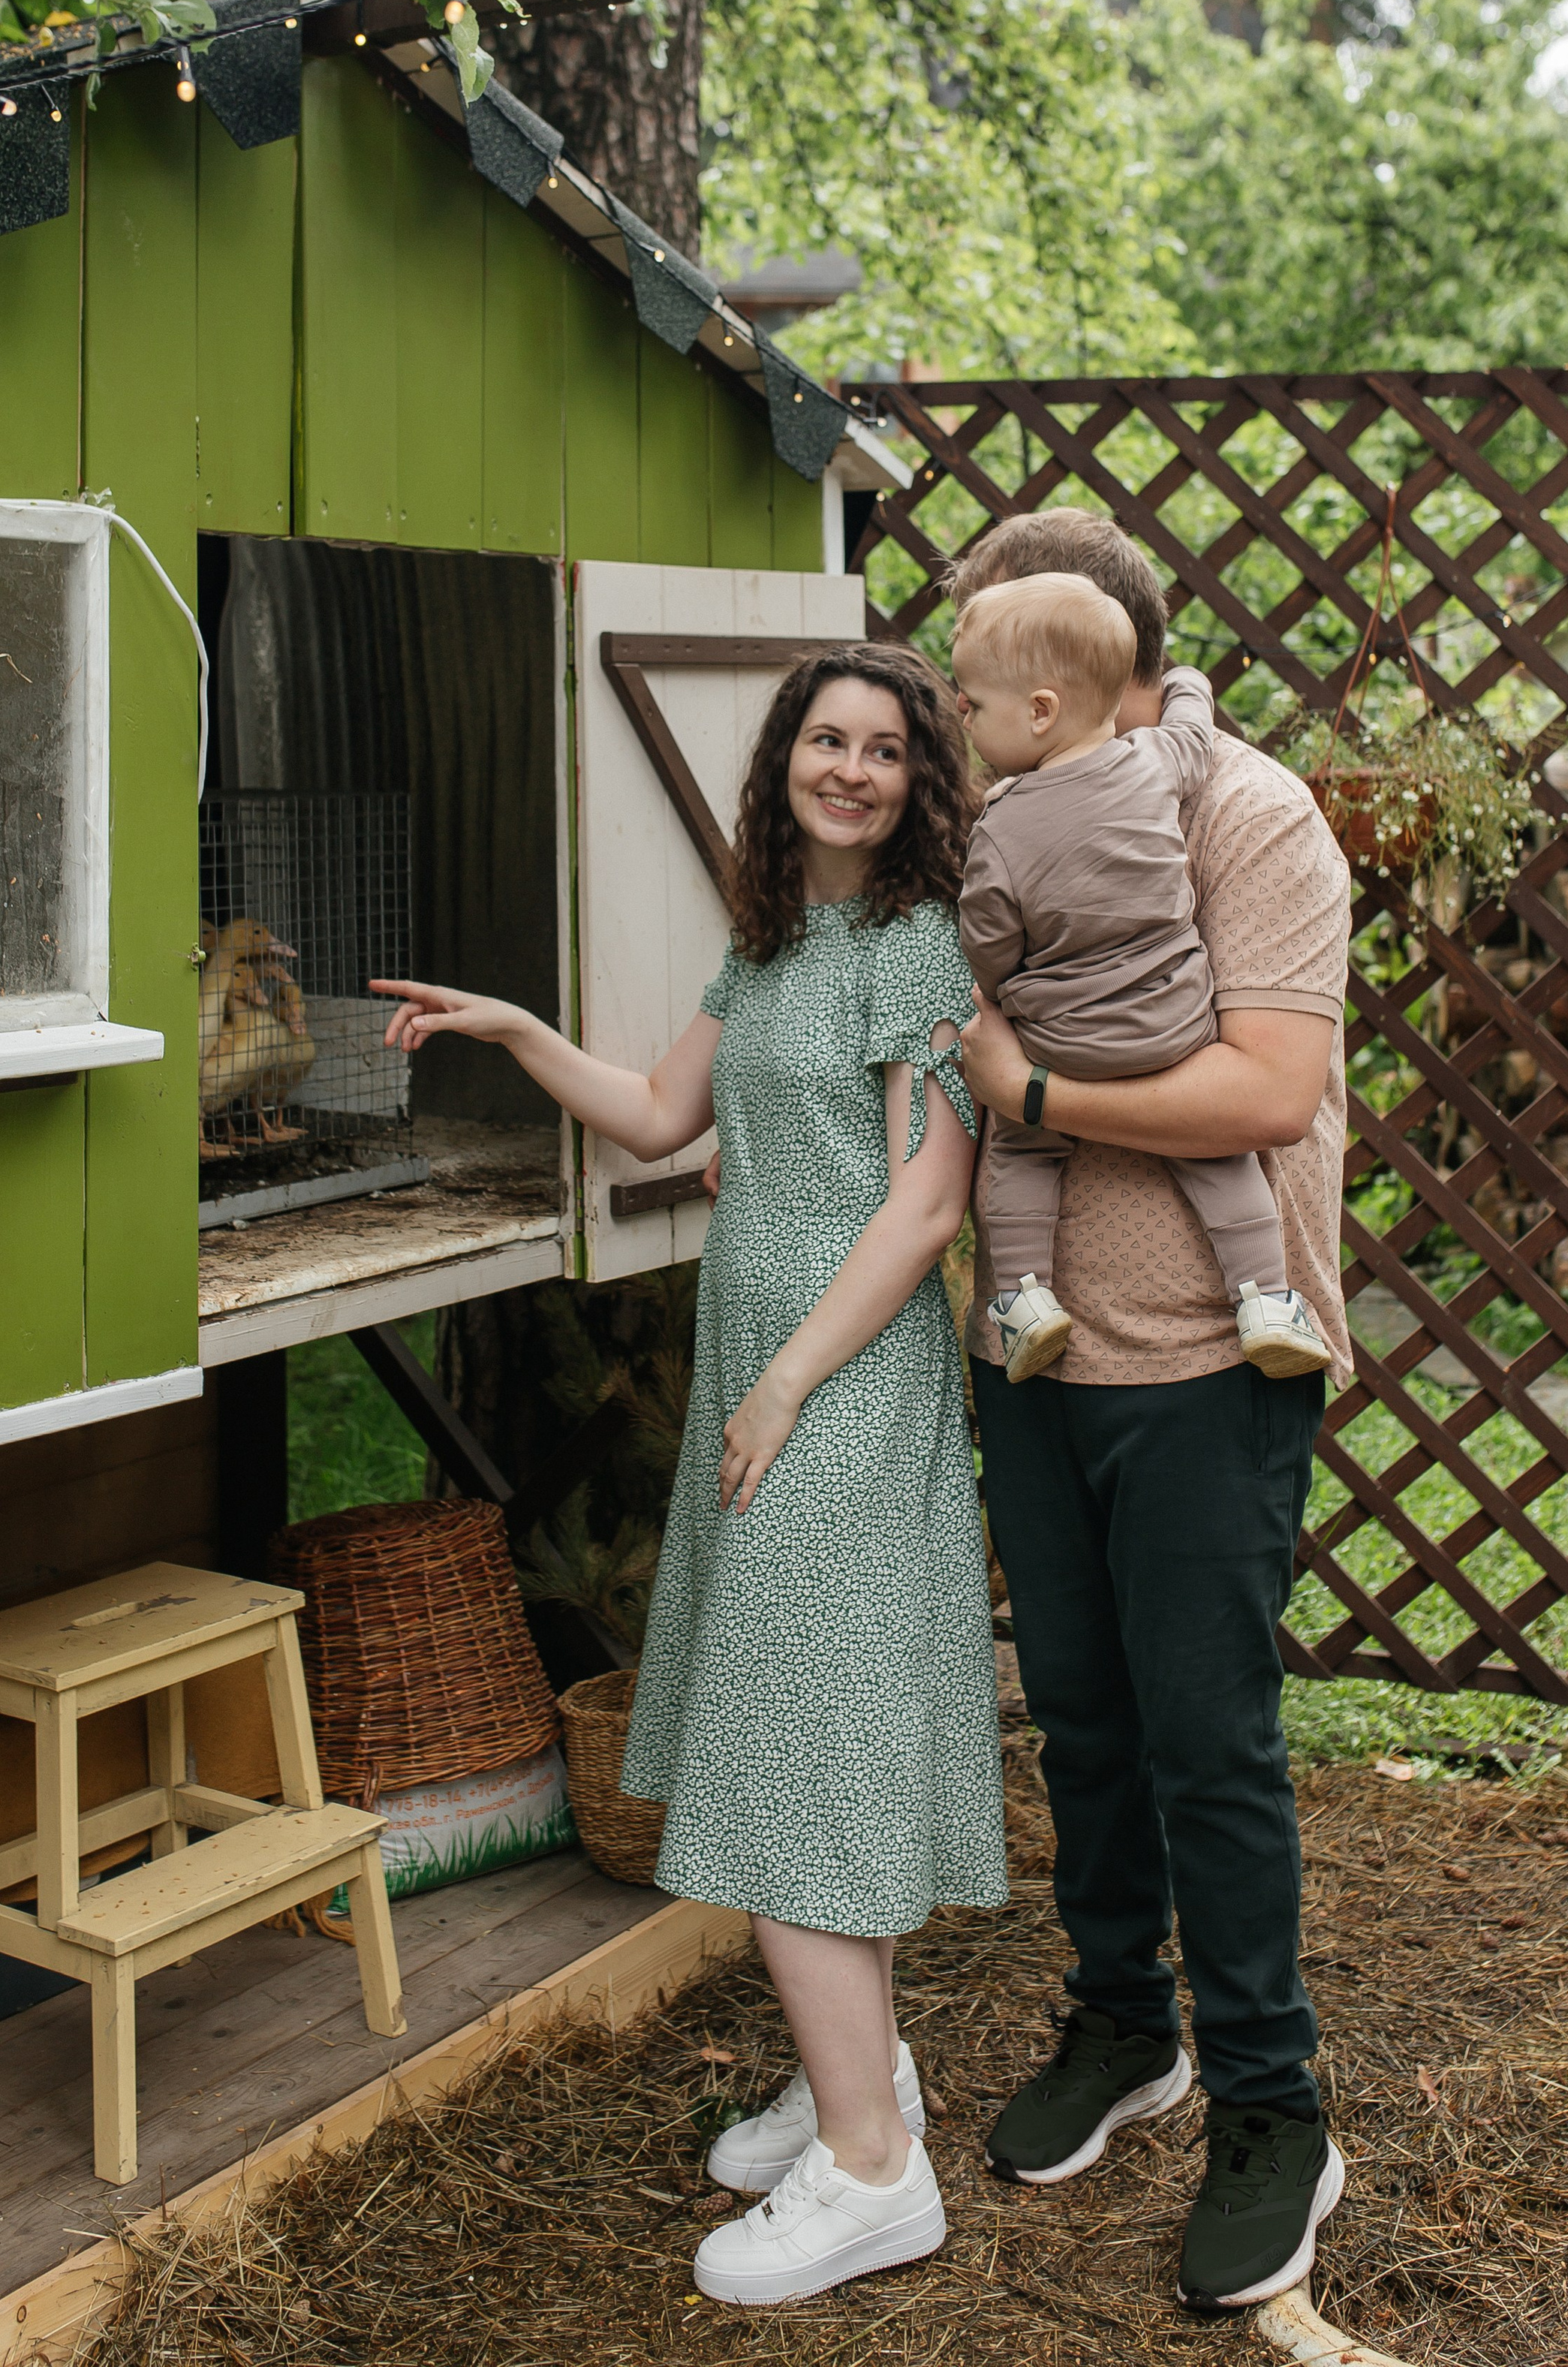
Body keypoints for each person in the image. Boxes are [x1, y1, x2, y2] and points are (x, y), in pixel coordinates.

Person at [374, 641, 1005, 2311]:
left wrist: (790, 1382)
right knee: (793, 1723)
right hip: (770, 1366)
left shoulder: (917, 944)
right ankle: (857, 2078)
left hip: (842, 1377)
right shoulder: (771, 939)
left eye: (884, 748)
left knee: (792, 1749)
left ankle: (875, 2176)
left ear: (919, 781)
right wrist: (515, 1028)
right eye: (826, 740)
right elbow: (656, 1116)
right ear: (783, 761)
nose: (852, 769)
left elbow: (925, 1208)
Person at [951, 510, 1353, 2318]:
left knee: (1207, 1742)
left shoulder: (1246, 817)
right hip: (1033, 1353)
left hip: (1209, 1355)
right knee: (1084, 1721)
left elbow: (1264, 1083)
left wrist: (1026, 1082)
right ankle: (1123, 2024)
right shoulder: (993, 819)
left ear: (1093, 669)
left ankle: (1273, 2106)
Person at [950, 570, 1331, 1387]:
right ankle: (1265, 1297)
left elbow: (987, 941)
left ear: (1041, 707)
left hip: (1064, 1040)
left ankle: (1024, 1299)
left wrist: (1021, 1067)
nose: (962, 715)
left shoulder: (1003, 824)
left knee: (1023, 1149)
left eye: (975, 701)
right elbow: (1191, 732)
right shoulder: (1154, 764)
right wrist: (1191, 681)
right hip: (1171, 1026)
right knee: (1220, 1167)